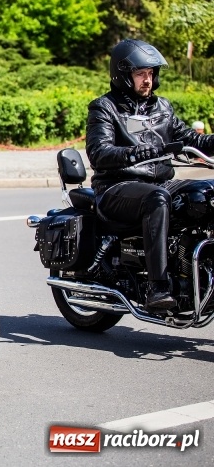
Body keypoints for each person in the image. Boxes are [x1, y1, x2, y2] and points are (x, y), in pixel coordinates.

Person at [86, 39, 214, 310]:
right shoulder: (104, 108)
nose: (148, 80)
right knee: (156, 198)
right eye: (141, 73)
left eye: (151, 73)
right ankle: (159, 287)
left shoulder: (162, 107)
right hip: (116, 187)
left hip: (162, 183)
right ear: (123, 75)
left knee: (207, 193)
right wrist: (136, 152)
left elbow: (192, 140)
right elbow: (99, 152)